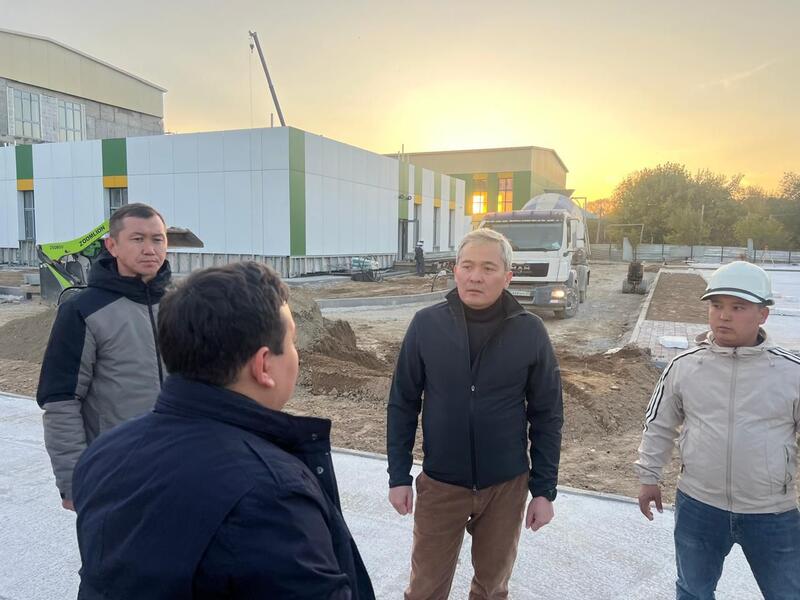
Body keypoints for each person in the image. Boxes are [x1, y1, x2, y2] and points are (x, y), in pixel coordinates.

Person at [72, 261, 375, 599]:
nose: (297, 355)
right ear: (263, 365)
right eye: (292, 342)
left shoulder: (104, 452)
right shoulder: (273, 493)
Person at [387, 228, 564, 600]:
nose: (475, 276)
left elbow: (547, 415)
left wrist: (544, 490)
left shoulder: (530, 331)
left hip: (505, 488)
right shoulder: (426, 325)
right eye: (467, 266)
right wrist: (398, 476)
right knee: (424, 590)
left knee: (492, 589)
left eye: (487, 268)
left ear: (507, 276)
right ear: (455, 270)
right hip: (441, 485)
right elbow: (403, 403)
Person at [636, 261, 800, 600]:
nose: (723, 316)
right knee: (693, 592)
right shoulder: (684, 366)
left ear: (763, 314)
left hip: (771, 512)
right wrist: (648, 477)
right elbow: (658, 425)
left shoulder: (790, 373)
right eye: (716, 305)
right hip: (699, 506)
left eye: (738, 307)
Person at [37, 202, 171, 510]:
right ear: (112, 246)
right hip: (115, 472)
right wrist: (73, 481)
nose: (149, 249)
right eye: (137, 239)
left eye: (157, 239)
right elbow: (61, 401)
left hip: (178, 465)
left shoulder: (182, 306)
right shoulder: (82, 311)